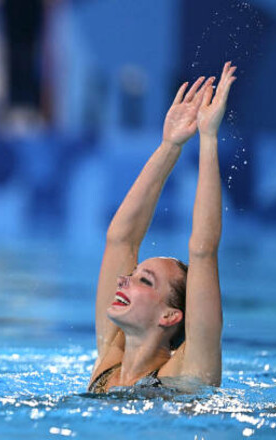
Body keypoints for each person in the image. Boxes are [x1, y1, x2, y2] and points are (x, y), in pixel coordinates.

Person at [87, 62, 237, 393]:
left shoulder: (188, 374)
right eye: (136, 273)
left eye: (144, 280)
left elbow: (203, 250)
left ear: (170, 316)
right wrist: (170, 146)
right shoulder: (107, 365)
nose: (125, 278)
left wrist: (208, 138)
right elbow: (121, 239)